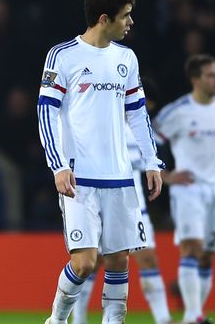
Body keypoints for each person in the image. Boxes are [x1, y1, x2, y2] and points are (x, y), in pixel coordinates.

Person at [37, 0, 164, 324]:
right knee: (84, 262)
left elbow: (137, 113)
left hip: (120, 177)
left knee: (119, 261)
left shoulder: (127, 59)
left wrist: (151, 161)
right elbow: (46, 112)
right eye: (126, 16)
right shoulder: (63, 56)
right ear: (104, 18)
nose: (130, 23)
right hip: (80, 177)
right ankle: (57, 319)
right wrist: (58, 166)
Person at [71, 79, 174, 324]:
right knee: (92, 263)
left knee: (147, 257)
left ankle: (164, 320)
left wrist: (169, 177)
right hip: (106, 203)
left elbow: (149, 167)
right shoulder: (105, 127)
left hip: (135, 206)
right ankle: (80, 319)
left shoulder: (145, 134)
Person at [153, 54, 215, 324]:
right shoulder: (177, 112)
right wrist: (165, 176)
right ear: (195, 80)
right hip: (188, 190)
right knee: (192, 247)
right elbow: (146, 141)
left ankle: (195, 314)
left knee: (207, 256)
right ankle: (193, 316)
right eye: (211, 75)